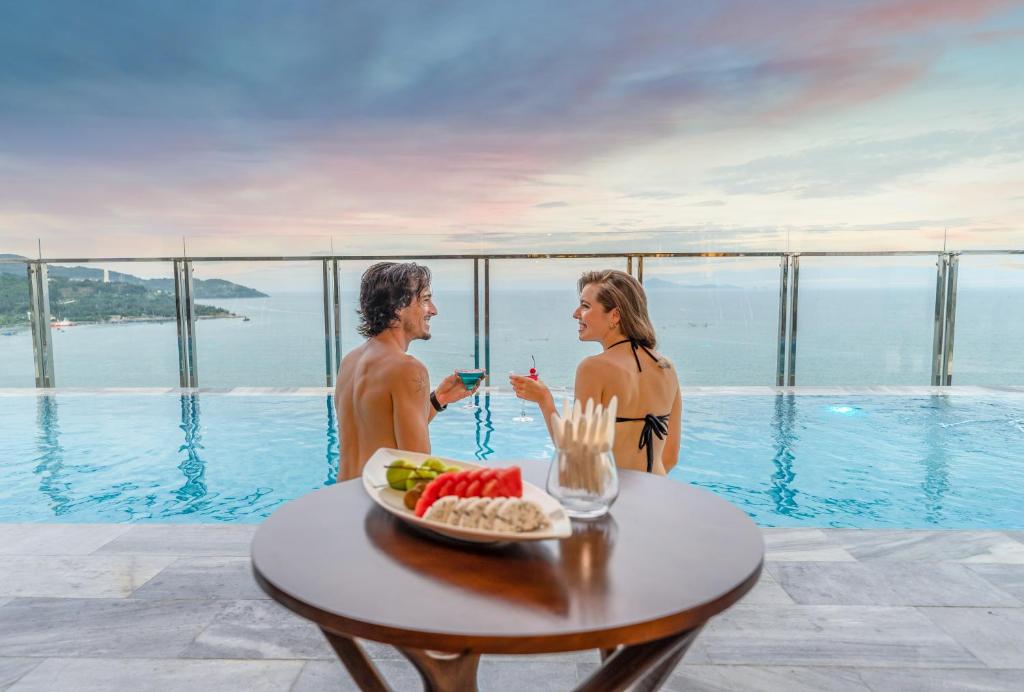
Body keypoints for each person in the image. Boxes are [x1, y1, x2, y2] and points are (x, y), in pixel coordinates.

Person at [510, 269, 681, 475]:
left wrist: (544, 400)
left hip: (613, 495)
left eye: (585, 306)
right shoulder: (667, 367)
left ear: (615, 315)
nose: (575, 314)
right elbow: (670, 457)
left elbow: (575, 454)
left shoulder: (593, 368)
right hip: (658, 491)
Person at [335, 262, 480, 481]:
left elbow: (379, 430)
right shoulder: (408, 368)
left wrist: (439, 399)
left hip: (345, 499)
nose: (433, 310)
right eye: (424, 300)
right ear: (397, 307)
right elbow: (417, 466)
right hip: (380, 503)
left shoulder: (350, 361)